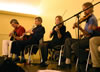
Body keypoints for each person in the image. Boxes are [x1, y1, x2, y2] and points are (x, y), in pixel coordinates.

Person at [63, 2, 98, 72]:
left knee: (74, 46)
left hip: (90, 39)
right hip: (86, 38)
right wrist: (82, 34)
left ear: (91, 9)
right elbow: (86, 32)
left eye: (85, 9)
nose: (84, 12)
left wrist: (80, 28)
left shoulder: (92, 19)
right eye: (83, 10)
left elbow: (88, 34)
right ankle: (68, 60)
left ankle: (86, 60)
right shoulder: (88, 19)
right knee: (68, 40)